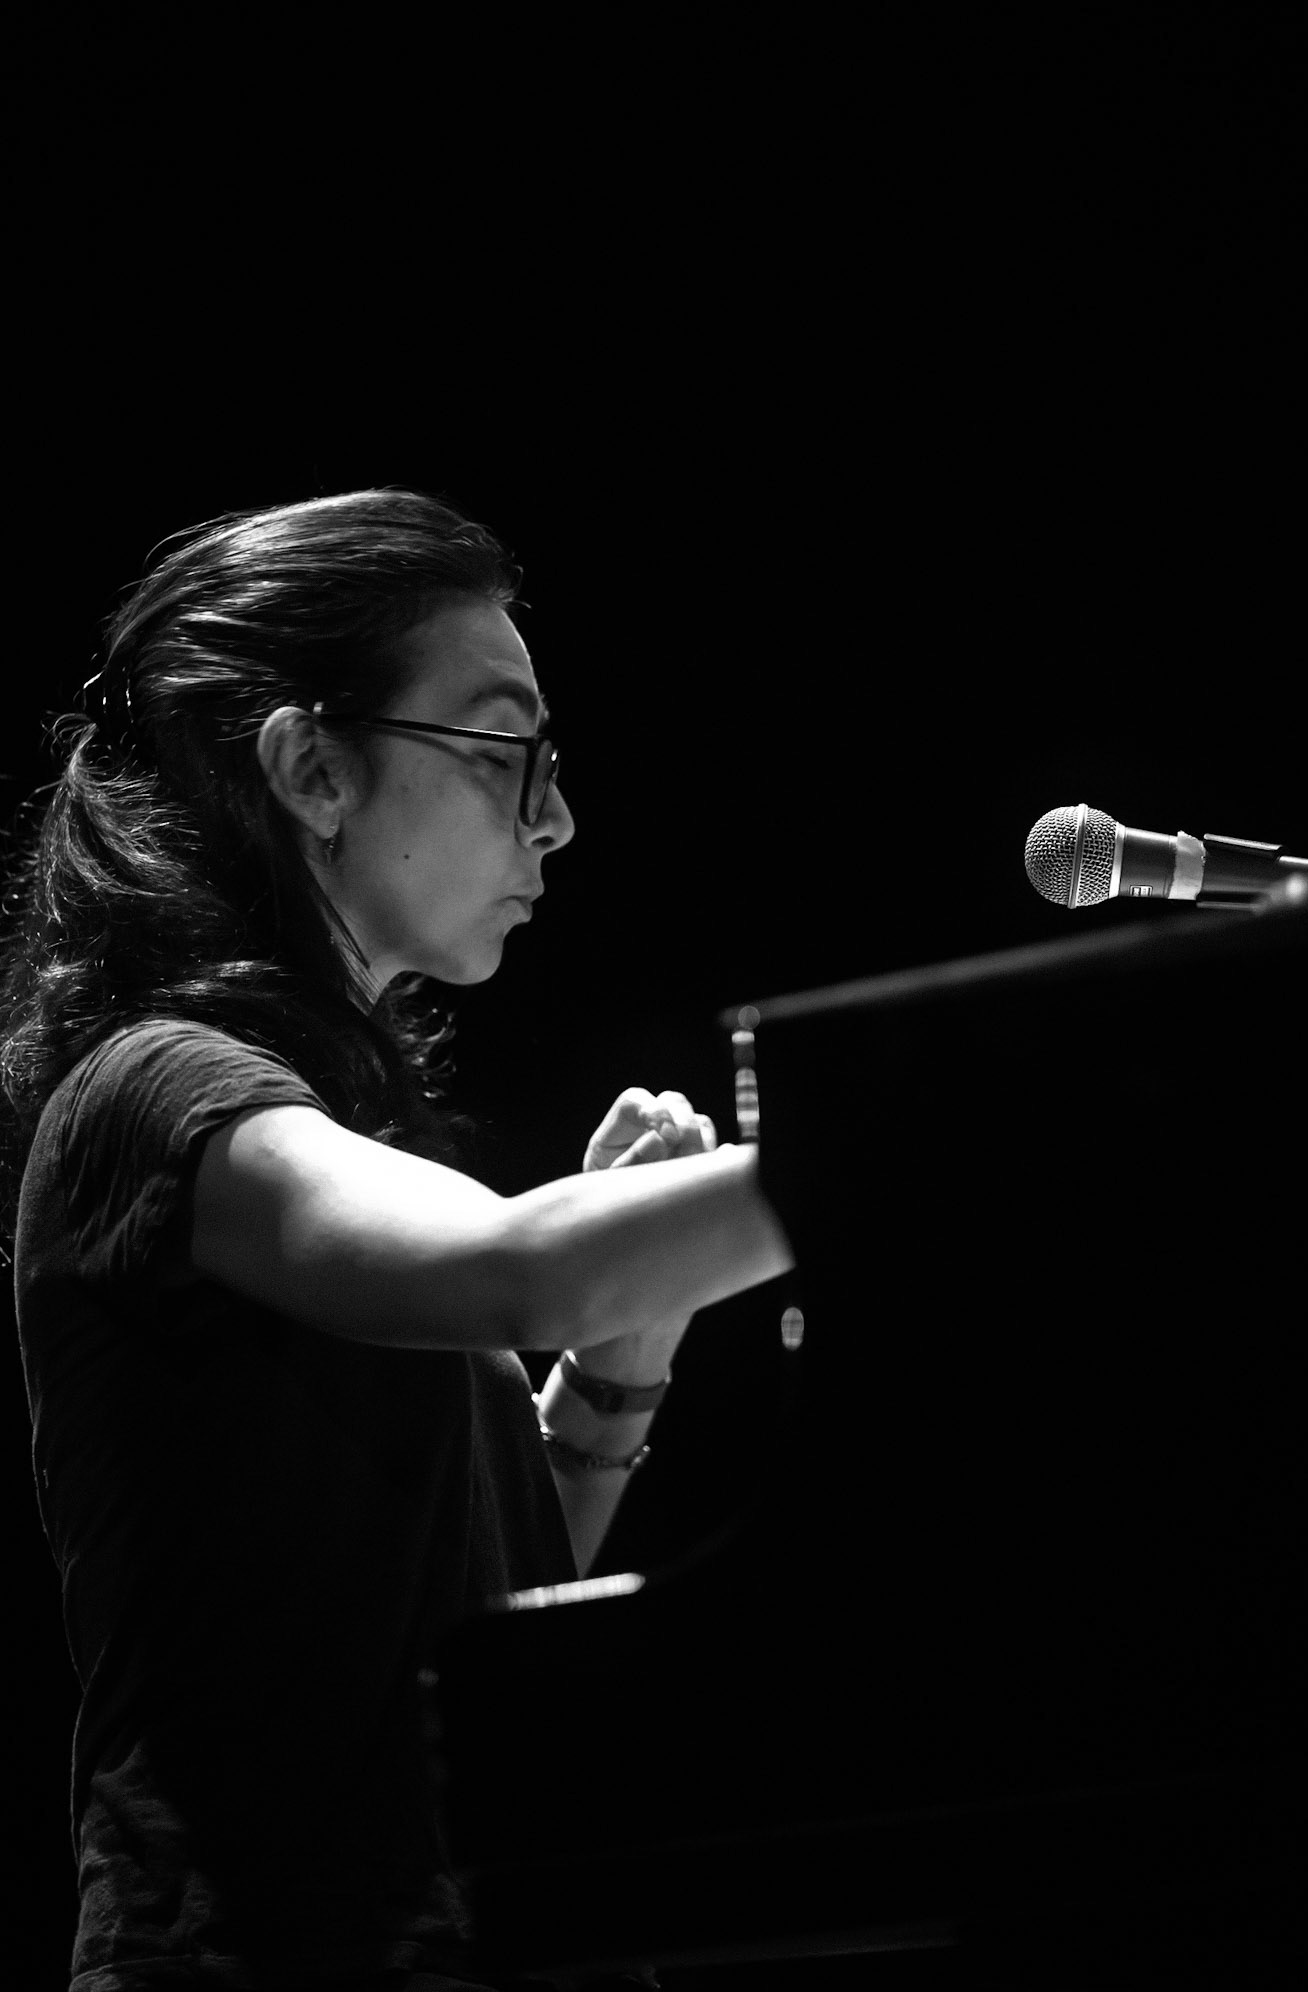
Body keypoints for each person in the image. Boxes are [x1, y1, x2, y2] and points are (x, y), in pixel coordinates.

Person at [1, 489, 793, 1992]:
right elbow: (523, 1266)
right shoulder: (162, 1095)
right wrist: (946, 1125)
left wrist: (613, 1381)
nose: (553, 813)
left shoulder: (323, 1137)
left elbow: (466, 1633)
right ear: (311, 767)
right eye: (506, 751)